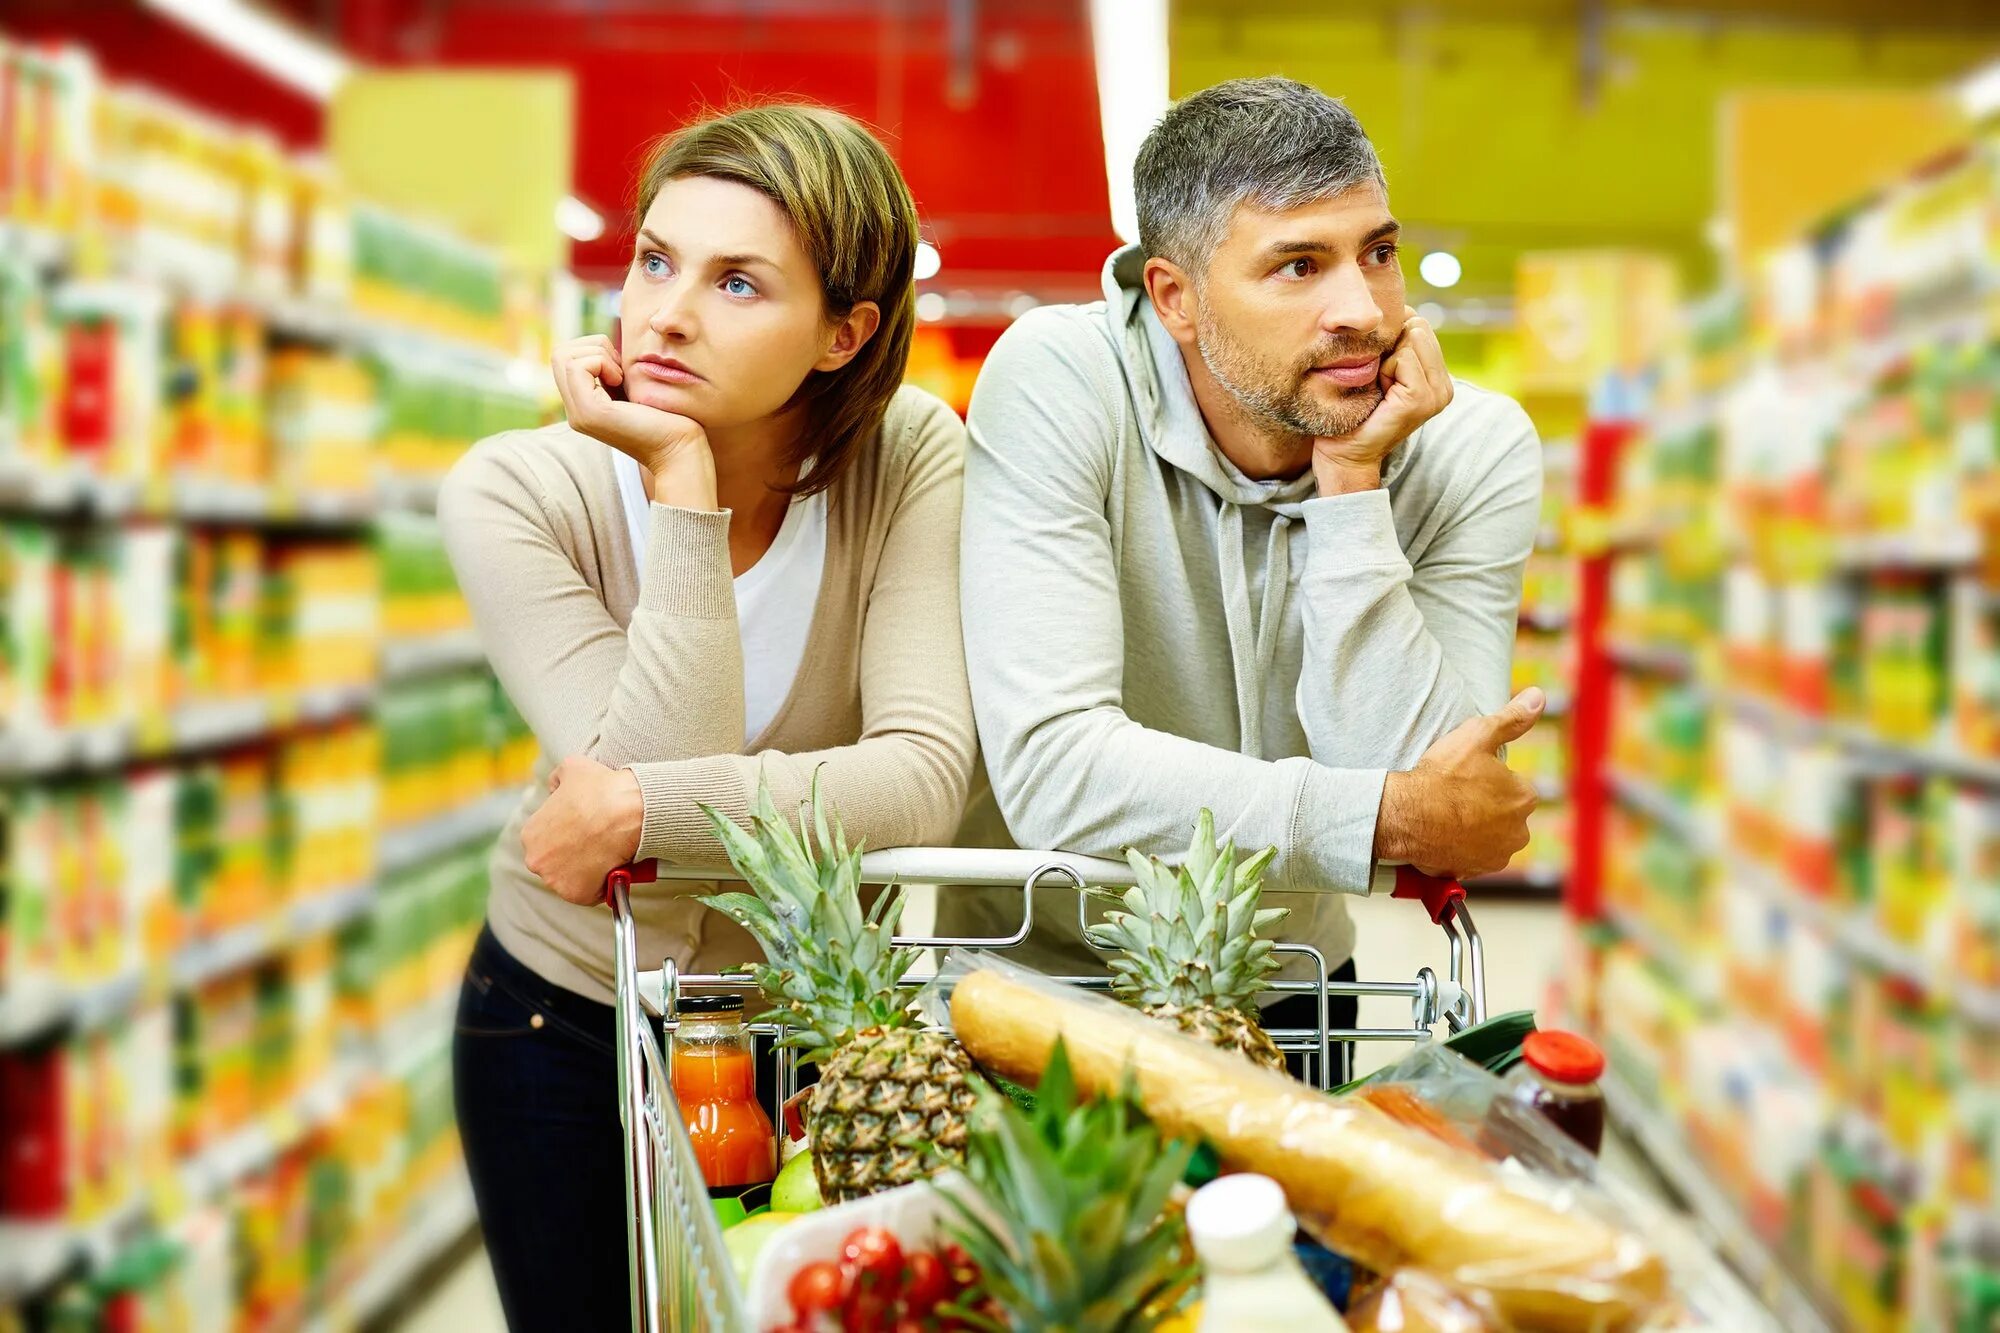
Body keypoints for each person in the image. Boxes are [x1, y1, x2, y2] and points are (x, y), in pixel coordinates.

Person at [438, 103, 973, 1331]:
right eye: (654, 259)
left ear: (844, 332)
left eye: (738, 281)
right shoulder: (516, 489)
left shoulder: (907, 457)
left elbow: (922, 775)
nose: (664, 311)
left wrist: (641, 810)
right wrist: (677, 480)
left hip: (820, 1033)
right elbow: (668, 796)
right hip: (565, 1019)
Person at [951, 76, 1545, 1070]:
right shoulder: (1060, 380)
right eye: (1297, 266)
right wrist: (1380, 811)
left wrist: (1351, 485)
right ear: (1174, 299)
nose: (1361, 309)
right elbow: (1054, 767)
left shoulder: (1465, 444)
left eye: (1378, 254)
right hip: (1047, 981)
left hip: (1293, 993)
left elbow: (1436, 810)